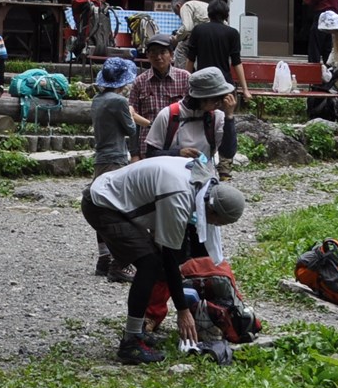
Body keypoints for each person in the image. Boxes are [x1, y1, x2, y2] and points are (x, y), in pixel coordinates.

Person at [82, 151, 248, 363]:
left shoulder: (205, 184)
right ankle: (131, 344)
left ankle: (139, 329)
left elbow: (191, 249)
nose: (215, 226)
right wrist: (182, 310)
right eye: (218, 222)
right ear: (212, 211)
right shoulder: (179, 196)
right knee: (150, 264)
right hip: (102, 203)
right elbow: (169, 257)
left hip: (120, 197)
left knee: (157, 264)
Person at [89, 56, 141, 279]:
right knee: (118, 209)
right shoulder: (119, 102)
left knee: (102, 207)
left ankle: (104, 258)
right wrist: (131, 114)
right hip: (116, 158)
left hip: (101, 157)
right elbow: (131, 129)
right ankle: (119, 263)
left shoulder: (97, 99)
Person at [145, 66, 239, 172]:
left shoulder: (217, 116)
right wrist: (178, 153)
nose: (219, 103)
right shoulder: (168, 115)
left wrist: (229, 117)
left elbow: (228, 153)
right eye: (215, 99)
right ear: (200, 98)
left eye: (221, 98)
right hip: (171, 176)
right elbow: (150, 154)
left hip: (204, 176)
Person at [126, 35, 190, 158]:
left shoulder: (185, 78)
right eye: (153, 52)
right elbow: (132, 118)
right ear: (148, 56)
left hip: (179, 146)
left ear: (171, 55)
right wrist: (134, 154)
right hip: (147, 147)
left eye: (163, 52)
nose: (158, 57)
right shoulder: (140, 82)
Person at [183, 0, 248, 106]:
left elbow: (190, 59)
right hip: (224, 84)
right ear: (226, 15)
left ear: (209, 14)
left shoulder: (198, 30)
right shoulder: (232, 33)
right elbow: (236, 62)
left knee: (201, 114)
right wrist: (245, 89)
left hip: (202, 83)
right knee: (224, 114)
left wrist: (186, 85)